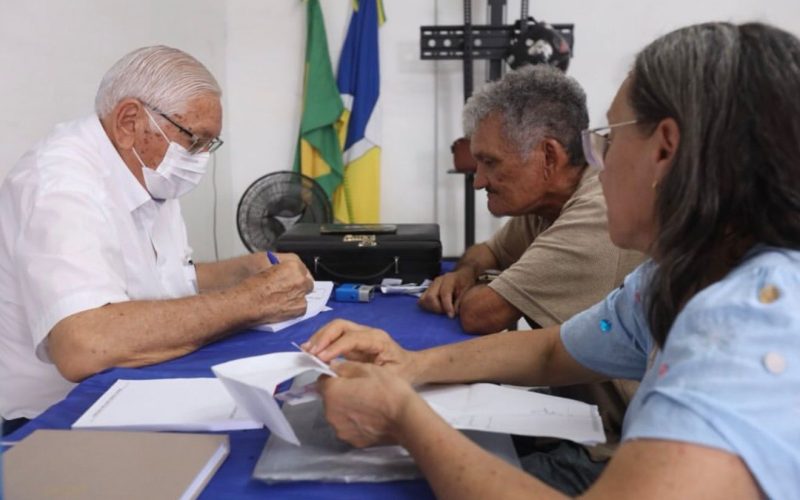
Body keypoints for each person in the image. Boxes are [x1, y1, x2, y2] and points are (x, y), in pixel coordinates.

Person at [307, 22, 800, 498]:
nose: (596, 161)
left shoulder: (753, 319)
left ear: (665, 150)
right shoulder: (671, 279)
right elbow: (550, 352)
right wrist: (411, 365)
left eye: (607, 138)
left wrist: (406, 419)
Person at [0, 46, 313, 432]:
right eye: (194, 140)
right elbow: (85, 344)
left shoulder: (146, 168)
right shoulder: (59, 186)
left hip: (129, 391)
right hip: (55, 422)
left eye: (208, 144)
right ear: (130, 121)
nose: (200, 158)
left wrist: (245, 270)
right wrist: (251, 301)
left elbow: (165, 280)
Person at [418, 65, 642, 334]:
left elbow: (481, 314)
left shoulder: (597, 211)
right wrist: (465, 273)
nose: (478, 181)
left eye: (490, 162)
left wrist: (486, 283)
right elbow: (490, 252)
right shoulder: (547, 201)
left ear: (548, 156)